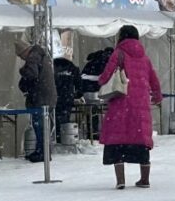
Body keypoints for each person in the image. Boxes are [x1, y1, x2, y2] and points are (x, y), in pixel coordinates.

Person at [98, 25, 163, 189]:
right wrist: (157, 95)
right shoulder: (144, 57)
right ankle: (145, 179)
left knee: (117, 140)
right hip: (140, 105)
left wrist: (100, 81)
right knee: (141, 141)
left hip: (121, 102)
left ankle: (120, 181)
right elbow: (153, 78)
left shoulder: (118, 53)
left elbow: (106, 75)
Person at [17, 40, 57, 163]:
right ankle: (42, 151)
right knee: (43, 126)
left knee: (39, 126)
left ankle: (42, 152)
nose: (21, 58)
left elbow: (31, 75)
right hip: (47, 97)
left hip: (40, 98)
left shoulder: (33, 57)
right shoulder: (41, 56)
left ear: (25, 52)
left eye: (20, 55)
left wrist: (23, 73)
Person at [53, 53, 83, 127]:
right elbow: (79, 85)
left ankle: (56, 135)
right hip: (67, 98)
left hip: (54, 97)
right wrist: (76, 96)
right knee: (64, 120)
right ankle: (62, 135)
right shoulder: (72, 68)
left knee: (53, 119)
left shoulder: (52, 66)